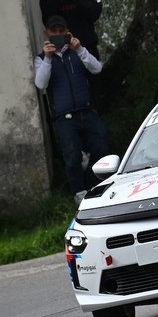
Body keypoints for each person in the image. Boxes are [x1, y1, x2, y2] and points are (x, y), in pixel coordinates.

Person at [33, 16, 108, 204]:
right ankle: (80, 193)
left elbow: (97, 68)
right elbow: (40, 84)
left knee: (100, 148)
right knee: (72, 156)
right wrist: (48, 58)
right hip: (64, 116)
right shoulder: (41, 59)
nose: (58, 34)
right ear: (47, 33)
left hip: (87, 110)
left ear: (68, 32)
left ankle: (95, 186)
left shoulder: (78, 51)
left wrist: (80, 49)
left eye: (61, 31)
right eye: (54, 32)